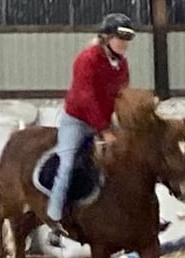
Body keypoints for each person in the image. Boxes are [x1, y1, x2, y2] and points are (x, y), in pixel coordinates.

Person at [46, 12, 135, 239]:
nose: (124, 43)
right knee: (66, 165)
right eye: (120, 38)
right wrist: (104, 129)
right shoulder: (86, 59)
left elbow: (122, 96)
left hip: (104, 120)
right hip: (77, 121)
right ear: (106, 38)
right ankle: (54, 220)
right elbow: (86, 99)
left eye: (127, 39)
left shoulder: (121, 65)